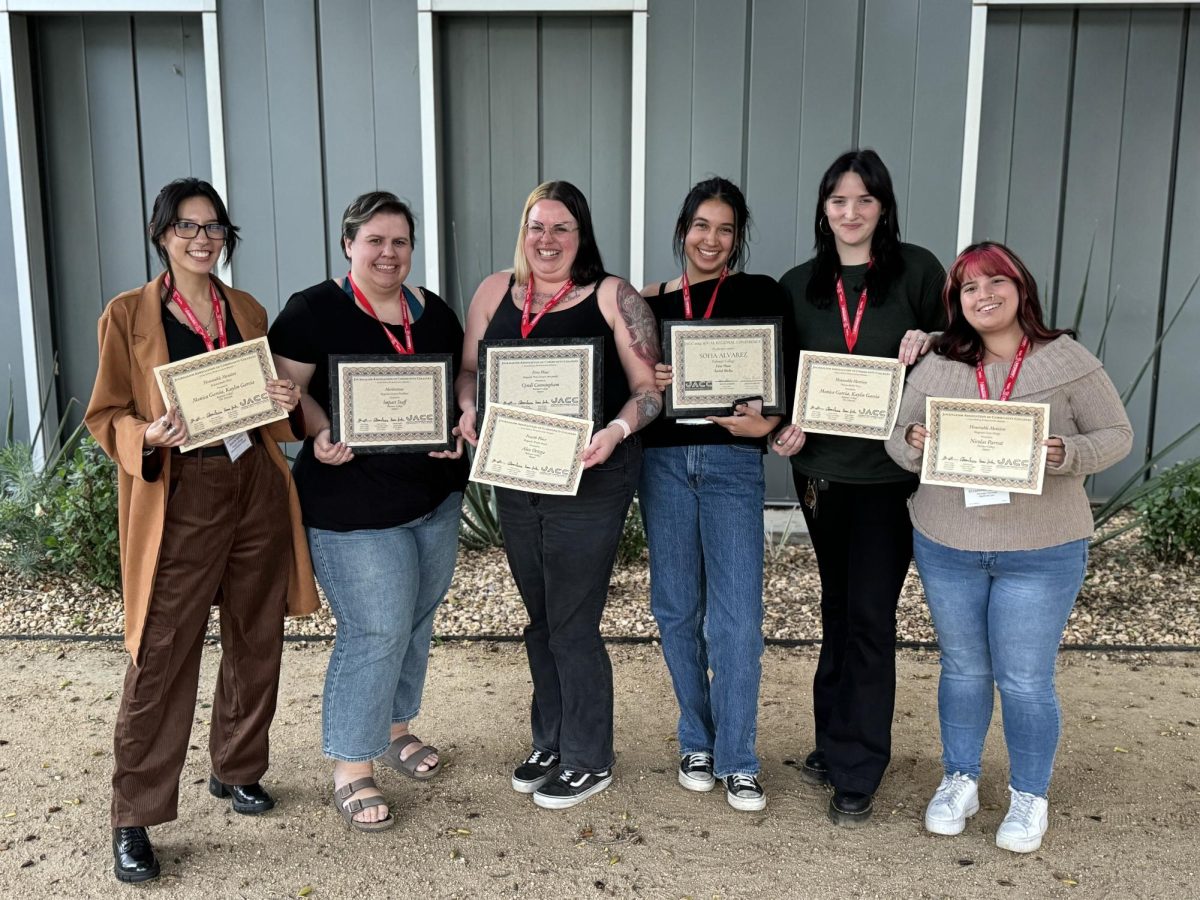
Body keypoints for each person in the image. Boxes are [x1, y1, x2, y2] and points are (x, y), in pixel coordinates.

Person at [85, 177, 318, 883]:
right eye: (187, 226)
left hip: (252, 483)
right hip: (181, 492)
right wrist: (146, 433)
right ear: (163, 234)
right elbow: (106, 416)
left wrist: (287, 399)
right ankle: (134, 815)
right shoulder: (127, 314)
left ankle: (237, 769)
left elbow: (269, 411)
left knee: (257, 634)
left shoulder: (244, 308)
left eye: (214, 226)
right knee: (162, 650)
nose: (201, 238)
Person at [885, 241, 1132, 852]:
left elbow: (1117, 434)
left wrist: (1069, 454)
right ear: (956, 302)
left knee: (1023, 680)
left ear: (1022, 289)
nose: (983, 295)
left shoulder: (1067, 361)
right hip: (949, 540)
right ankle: (960, 779)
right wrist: (914, 440)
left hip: (1042, 547)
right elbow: (895, 436)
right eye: (969, 288)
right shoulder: (939, 363)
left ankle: (1029, 796)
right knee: (964, 668)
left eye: (996, 282)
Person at [456, 180, 660, 809]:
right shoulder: (495, 292)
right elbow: (469, 368)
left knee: (573, 622)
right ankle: (551, 737)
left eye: (561, 228)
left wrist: (615, 431)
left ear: (582, 234)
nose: (546, 241)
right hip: (519, 480)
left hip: (591, 479)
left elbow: (649, 390)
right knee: (541, 619)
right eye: (536, 227)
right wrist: (466, 408)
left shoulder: (611, 296)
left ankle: (588, 756)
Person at [269, 192, 468, 832]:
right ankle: (352, 764)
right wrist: (319, 428)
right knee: (375, 627)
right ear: (349, 244)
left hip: (433, 496)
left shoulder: (431, 311)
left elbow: (451, 388)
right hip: (350, 503)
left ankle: (395, 726)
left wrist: (456, 425)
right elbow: (283, 394)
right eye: (376, 241)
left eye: (400, 242)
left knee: (414, 618)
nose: (389, 253)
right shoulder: (311, 310)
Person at [773, 149, 946, 826]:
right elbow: (776, 375)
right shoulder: (799, 283)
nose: (851, 213)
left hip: (888, 478)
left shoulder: (918, 272)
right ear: (824, 208)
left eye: (864, 200)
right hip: (820, 475)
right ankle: (832, 739)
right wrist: (777, 430)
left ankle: (858, 766)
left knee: (871, 615)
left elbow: (965, 343)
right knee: (837, 607)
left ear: (884, 207)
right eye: (839, 201)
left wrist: (932, 337)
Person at [639, 177, 793, 812]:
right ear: (682, 230)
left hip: (733, 462)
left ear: (738, 236)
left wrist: (770, 415)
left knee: (738, 619)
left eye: (725, 228)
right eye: (701, 225)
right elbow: (624, 371)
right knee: (676, 609)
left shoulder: (762, 294)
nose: (711, 239)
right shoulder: (646, 303)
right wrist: (652, 372)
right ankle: (696, 740)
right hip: (664, 464)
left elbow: (783, 377)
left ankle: (739, 758)